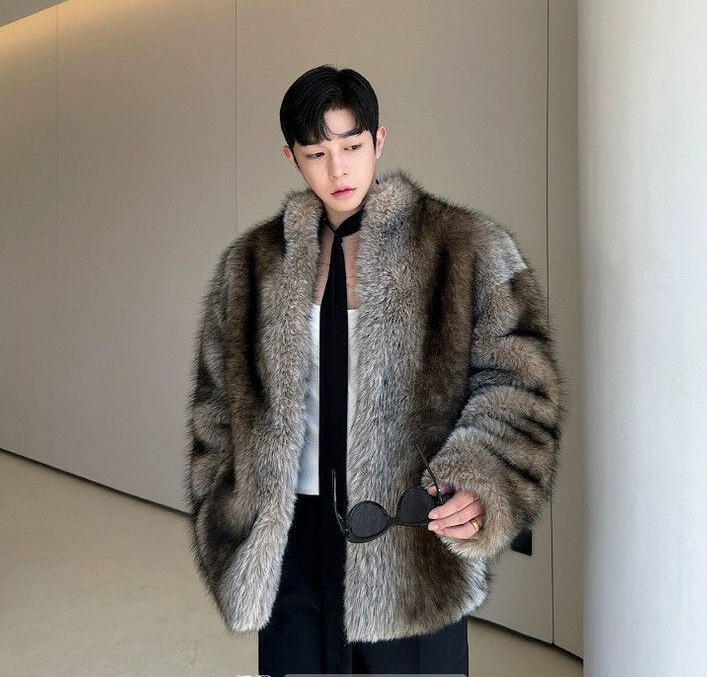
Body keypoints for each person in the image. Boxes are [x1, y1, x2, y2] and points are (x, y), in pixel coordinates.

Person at [184, 65, 566, 676]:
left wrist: (481, 480)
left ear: (379, 141)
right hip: (290, 539)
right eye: (316, 153)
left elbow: (521, 386)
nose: (338, 170)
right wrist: (225, 513)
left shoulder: (465, 246)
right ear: (292, 157)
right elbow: (215, 407)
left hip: (410, 543)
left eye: (352, 146)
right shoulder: (251, 266)